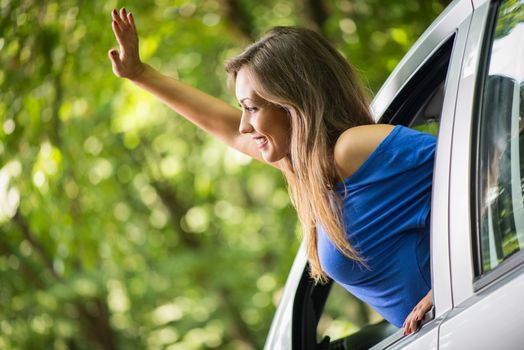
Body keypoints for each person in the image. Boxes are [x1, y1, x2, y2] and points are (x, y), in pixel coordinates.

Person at [108, 8, 434, 337]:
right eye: (241, 108)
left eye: (252, 108)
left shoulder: (353, 148)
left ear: (292, 102)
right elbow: (231, 133)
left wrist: (441, 291)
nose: (244, 124)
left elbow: (480, 158)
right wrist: (140, 73)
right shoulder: (311, 170)